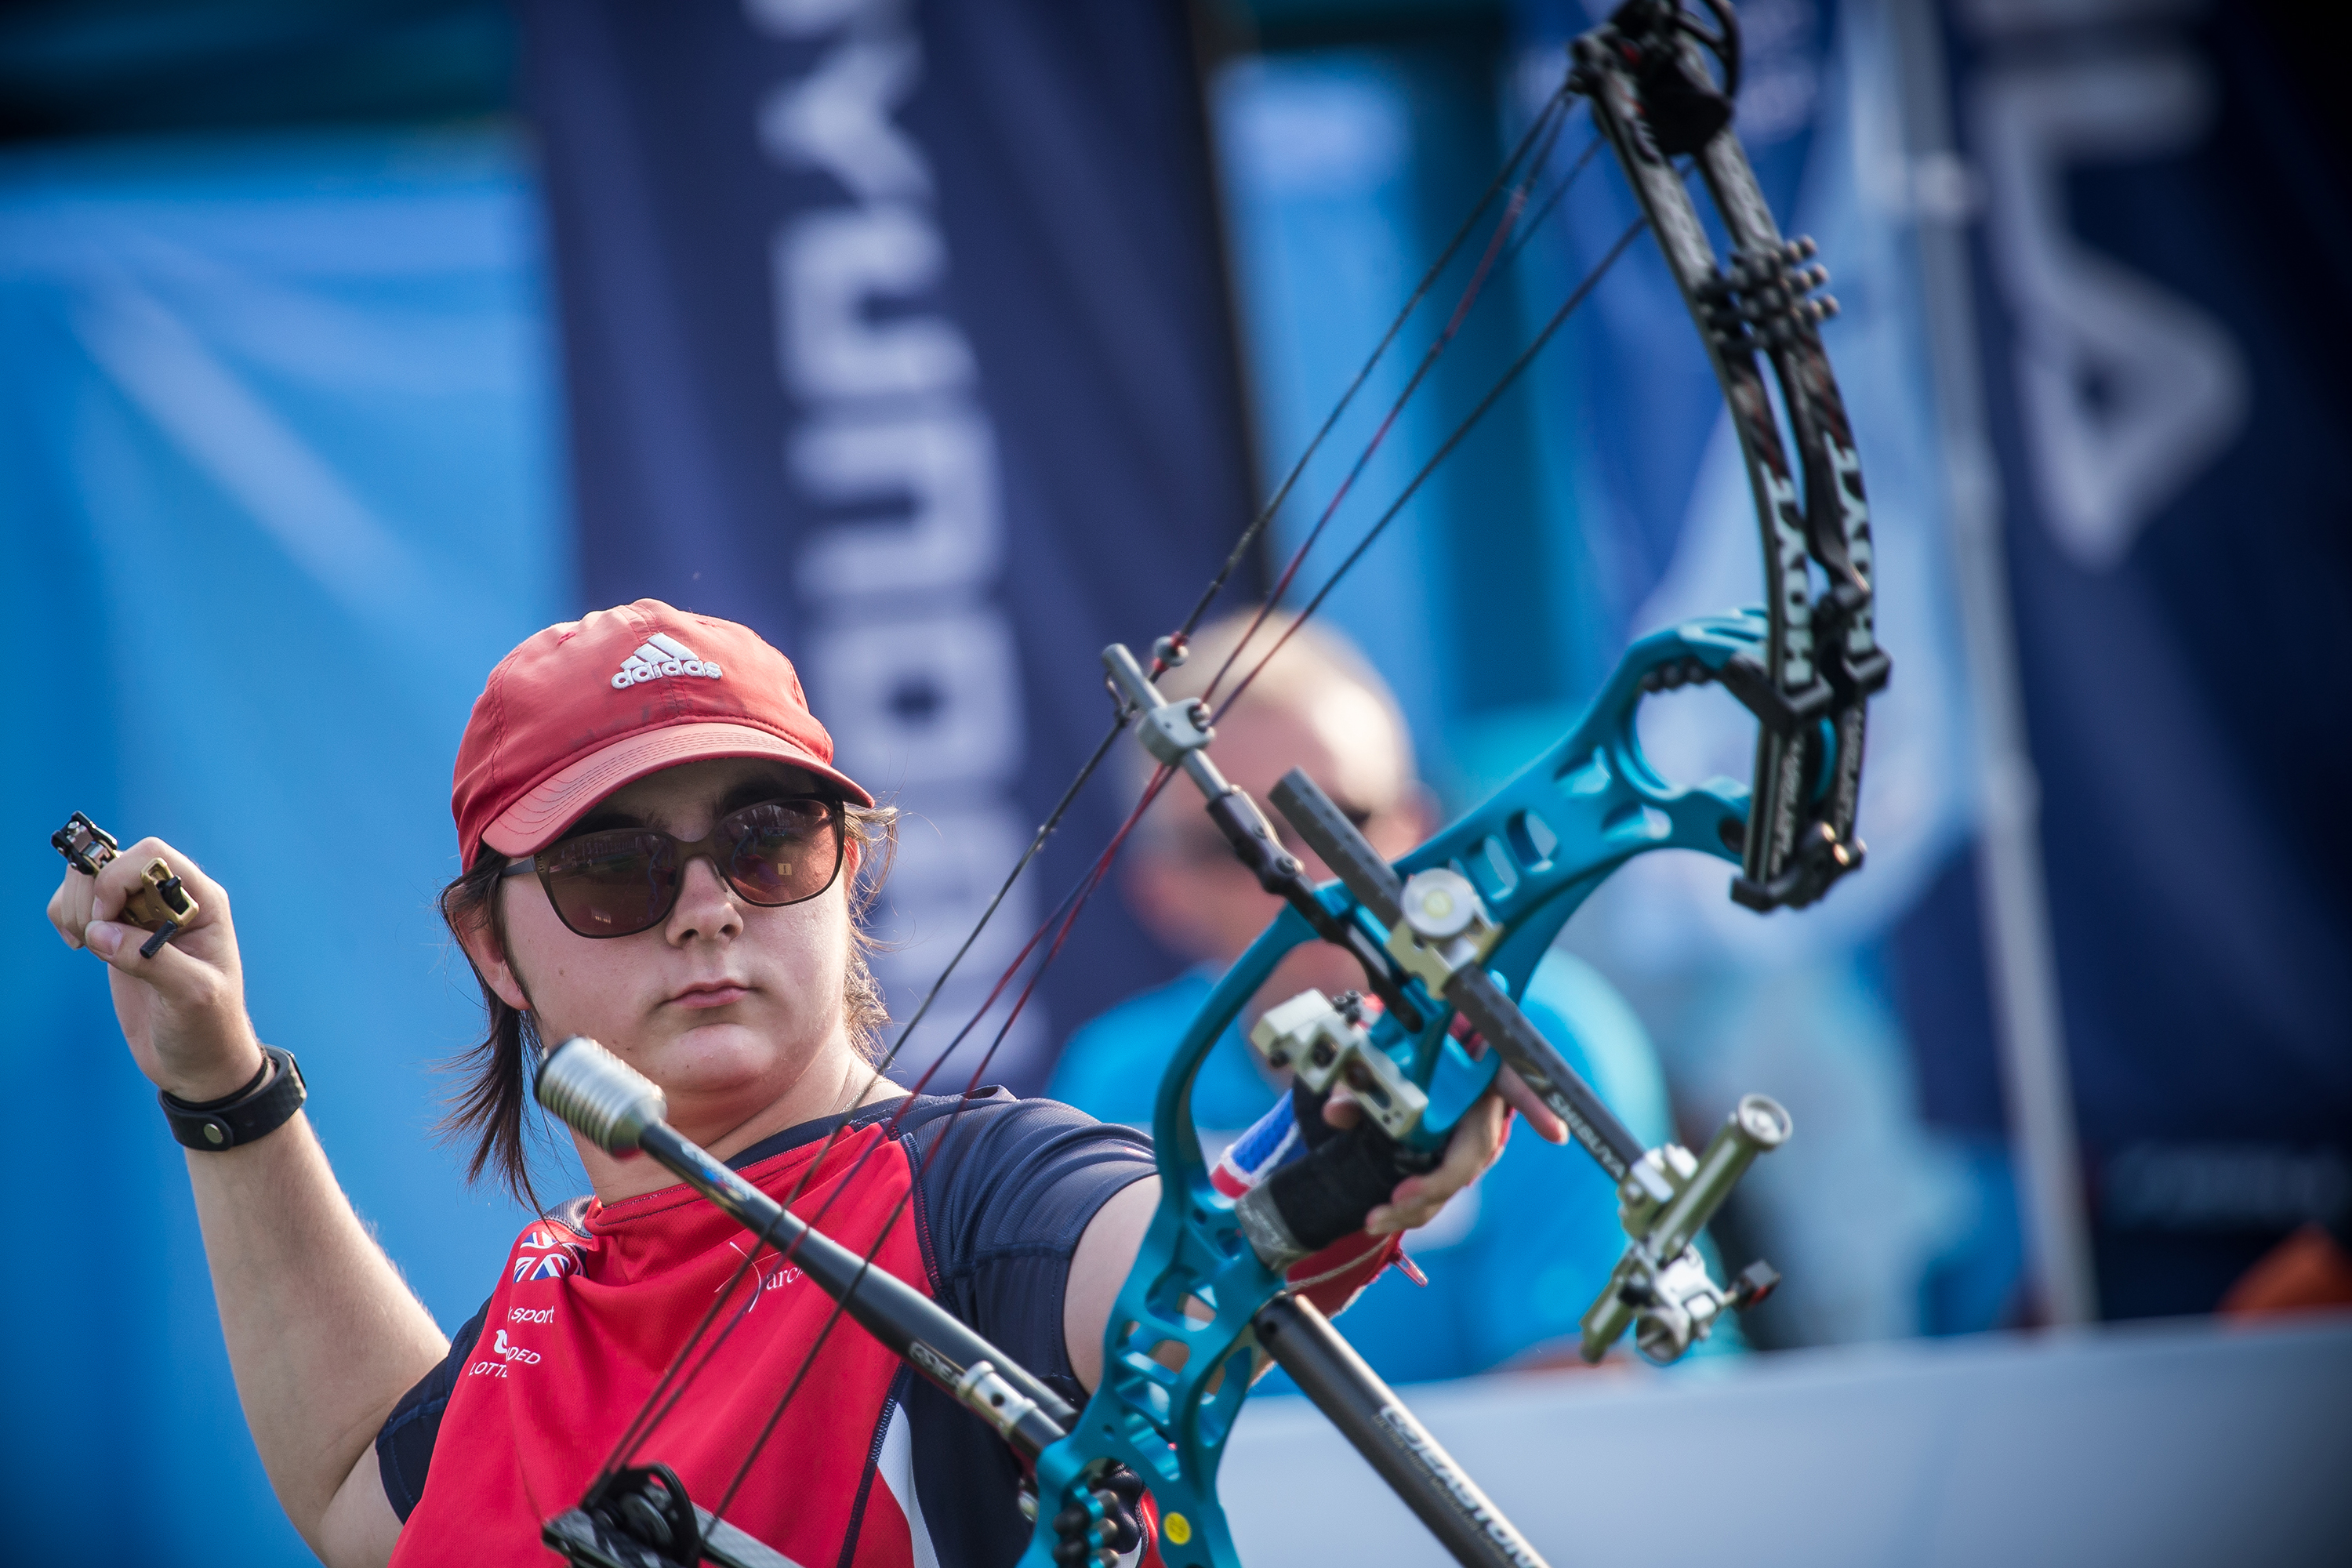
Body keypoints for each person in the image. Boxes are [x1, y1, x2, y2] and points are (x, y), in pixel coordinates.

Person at [43, 600, 1534, 1568]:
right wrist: (219, 1082)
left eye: (765, 841)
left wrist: (1338, 1168)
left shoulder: (987, 1202)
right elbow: (365, 1496)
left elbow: (1182, 1270)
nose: (707, 906)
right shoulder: (551, 1300)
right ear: (490, 944)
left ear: (850, 871)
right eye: (614, 869)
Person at [1051, 610, 1682, 1382]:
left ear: (1418, 826)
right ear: (1159, 886)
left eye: (1341, 821)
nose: (1305, 874)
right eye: (1233, 843)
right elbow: (1120, 1380)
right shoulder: (1124, 1078)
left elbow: (1578, 1394)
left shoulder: (1540, 1035)